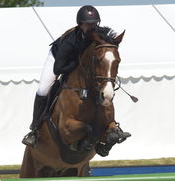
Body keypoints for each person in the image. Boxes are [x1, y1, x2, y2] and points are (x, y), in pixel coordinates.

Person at [22, 5, 130, 147]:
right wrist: (76, 64)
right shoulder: (70, 41)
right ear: (80, 24)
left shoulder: (97, 35)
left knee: (103, 89)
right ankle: (35, 130)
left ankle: (111, 126)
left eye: (94, 24)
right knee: (43, 89)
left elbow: (107, 47)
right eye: (88, 24)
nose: (92, 27)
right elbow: (58, 67)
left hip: (78, 64)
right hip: (58, 60)